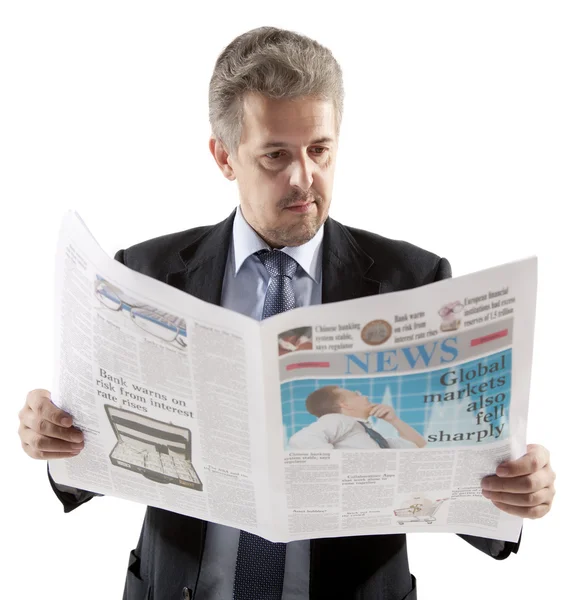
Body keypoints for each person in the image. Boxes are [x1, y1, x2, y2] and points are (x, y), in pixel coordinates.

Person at [17, 26, 556, 600]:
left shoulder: (414, 281)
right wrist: (53, 437)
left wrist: (516, 491)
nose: (304, 178)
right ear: (224, 156)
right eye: (275, 155)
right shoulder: (146, 273)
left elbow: (449, 473)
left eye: (319, 150)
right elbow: (98, 455)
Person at [288, 386, 427, 449]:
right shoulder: (338, 420)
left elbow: (418, 445)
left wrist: (394, 420)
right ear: (345, 405)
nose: (365, 397)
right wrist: (337, 468)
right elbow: (301, 440)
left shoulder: (372, 437)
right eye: (357, 394)